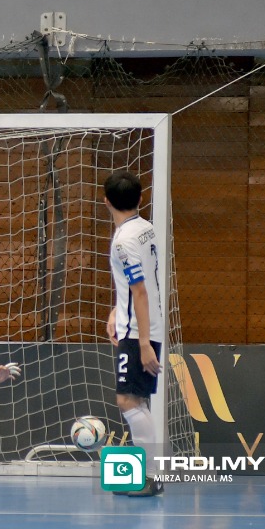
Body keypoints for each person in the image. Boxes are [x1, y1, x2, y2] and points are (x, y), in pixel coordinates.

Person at [103, 169, 164, 497]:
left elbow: (139, 290)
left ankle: (151, 476)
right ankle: (147, 475)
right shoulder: (146, 229)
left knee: (127, 400)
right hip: (143, 323)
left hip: (139, 329)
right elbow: (133, 285)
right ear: (140, 199)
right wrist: (116, 310)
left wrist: (141, 343)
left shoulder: (124, 240)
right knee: (137, 400)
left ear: (106, 201)